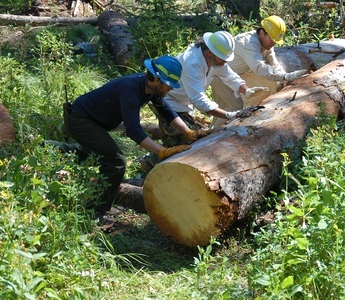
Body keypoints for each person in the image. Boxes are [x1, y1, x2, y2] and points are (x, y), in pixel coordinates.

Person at [58, 55, 203, 219]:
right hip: (80, 120)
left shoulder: (149, 88)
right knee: (116, 162)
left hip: (91, 121)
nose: (171, 89)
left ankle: (48, 148)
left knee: (92, 153)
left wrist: (188, 132)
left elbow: (167, 112)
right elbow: (133, 130)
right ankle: (95, 211)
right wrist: (161, 151)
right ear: (156, 79)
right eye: (169, 85)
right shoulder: (131, 89)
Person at [154, 31, 269, 145]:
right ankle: (150, 159)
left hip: (183, 102)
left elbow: (229, 75)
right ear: (209, 52)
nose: (224, 62)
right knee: (191, 140)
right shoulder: (192, 63)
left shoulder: (214, 59)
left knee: (185, 138)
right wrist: (228, 115)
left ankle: (165, 135)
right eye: (222, 58)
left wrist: (246, 90)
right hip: (167, 101)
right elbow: (198, 99)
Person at [211, 16, 310, 127]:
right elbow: (260, 68)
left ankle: (208, 136)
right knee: (234, 107)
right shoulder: (248, 43)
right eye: (272, 39)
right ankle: (215, 137)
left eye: (276, 40)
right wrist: (286, 76)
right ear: (262, 32)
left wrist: (287, 79)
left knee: (222, 109)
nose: (274, 43)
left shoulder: (267, 45)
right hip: (219, 77)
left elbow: (274, 64)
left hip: (230, 77)